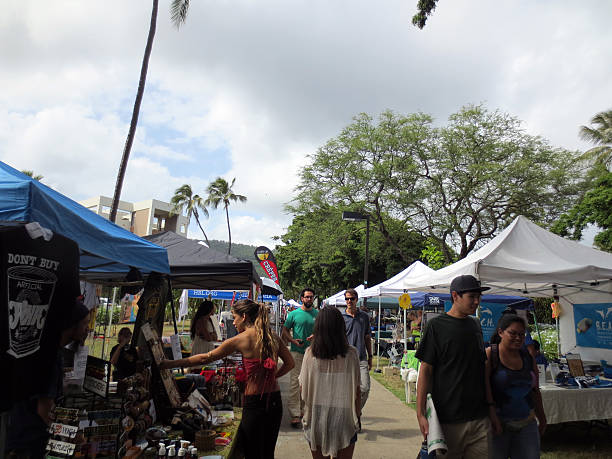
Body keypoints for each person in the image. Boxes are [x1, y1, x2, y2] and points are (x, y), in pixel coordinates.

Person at [160, 299, 294, 459]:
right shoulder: (272, 336)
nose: (234, 322)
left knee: (252, 452)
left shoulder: (241, 339)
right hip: (274, 401)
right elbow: (290, 363)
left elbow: (205, 358)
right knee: (267, 452)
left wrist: (170, 364)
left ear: (244, 316)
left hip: (254, 403)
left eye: (234, 317)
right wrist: (273, 376)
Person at [415, 274, 493, 458]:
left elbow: (482, 368)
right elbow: (425, 371)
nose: (476, 301)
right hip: (448, 421)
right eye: (472, 297)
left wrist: (490, 408)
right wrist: (420, 414)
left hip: (479, 419)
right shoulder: (436, 326)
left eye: (478, 297)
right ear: (455, 296)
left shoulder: (475, 325)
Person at [6, 299, 90, 459]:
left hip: (22, 437)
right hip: (28, 443)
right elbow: (44, 410)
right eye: (85, 323)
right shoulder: (51, 357)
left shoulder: (47, 349)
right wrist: (66, 436)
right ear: (72, 324)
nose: (88, 329)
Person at [299, 306, 361, 459]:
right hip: (344, 415)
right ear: (341, 327)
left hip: (316, 415)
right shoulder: (351, 354)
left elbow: (302, 387)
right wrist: (358, 416)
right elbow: (357, 390)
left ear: (318, 327)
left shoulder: (310, 354)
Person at [486, 313, 547, 459]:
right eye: (513, 333)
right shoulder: (491, 355)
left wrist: (542, 418)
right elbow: (485, 389)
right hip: (497, 425)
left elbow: (534, 390)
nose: (518, 338)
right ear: (500, 332)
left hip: (526, 423)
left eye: (522, 334)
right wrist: (493, 417)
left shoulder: (527, 357)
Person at [282, 288, 318, 428]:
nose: (309, 299)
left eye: (311, 297)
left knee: (309, 383)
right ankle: (295, 414)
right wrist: (292, 340)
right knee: (295, 382)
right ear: (301, 298)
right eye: (307, 297)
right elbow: (284, 330)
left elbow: (321, 330)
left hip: (313, 353)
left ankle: (304, 410)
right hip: (297, 352)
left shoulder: (318, 314)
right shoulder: (294, 314)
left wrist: (315, 336)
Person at [341, 288, 372, 431]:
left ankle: (355, 411)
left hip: (361, 358)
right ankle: (352, 417)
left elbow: (367, 337)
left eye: (351, 299)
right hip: (346, 359)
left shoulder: (364, 317)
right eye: (347, 299)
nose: (349, 301)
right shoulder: (342, 318)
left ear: (356, 300)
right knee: (347, 390)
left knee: (364, 387)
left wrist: (371, 356)